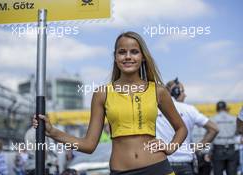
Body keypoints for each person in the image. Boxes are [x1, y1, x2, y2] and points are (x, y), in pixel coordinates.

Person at [33, 31, 188, 175]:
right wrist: (53, 132)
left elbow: (181, 128)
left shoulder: (158, 91)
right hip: (121, 171)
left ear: (143, 57)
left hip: (158, 168)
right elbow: (88, 145)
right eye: (122, 52)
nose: (128, 56)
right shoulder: (102, 94)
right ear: (115, 57)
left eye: (134, 52)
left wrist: (170, 147)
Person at [156, 78, 219, 175]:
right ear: (175, 92)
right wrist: (197, 148)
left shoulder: (154, 109)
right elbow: (214, 129)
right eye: (182, 91)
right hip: (185, 164)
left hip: (162, 163)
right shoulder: (189, 109)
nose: (185, 95)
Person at [211, 101, 239, 175]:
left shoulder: (213, 119)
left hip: (218, 148)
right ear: (225, 108)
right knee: (232, 173)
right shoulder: (233, 119)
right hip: (231, 148)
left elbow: (210, 135)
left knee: (218, 172)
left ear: (217, 108)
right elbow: (237, 132)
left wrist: (208, 152)